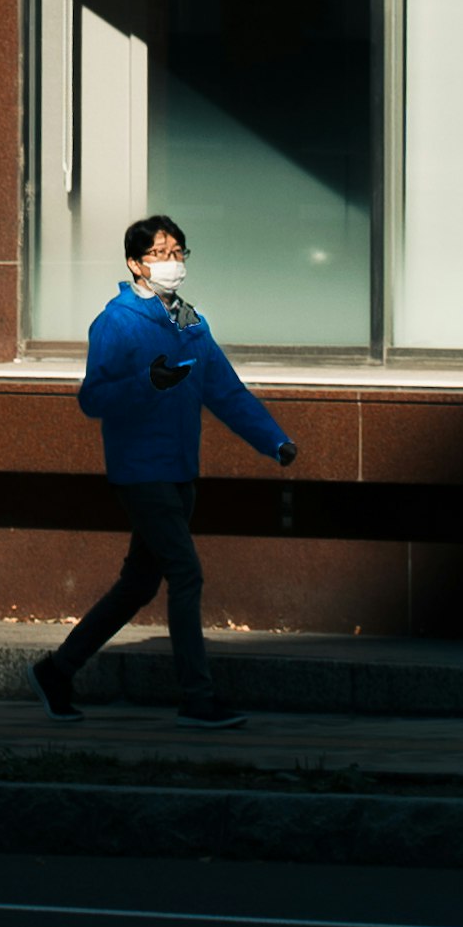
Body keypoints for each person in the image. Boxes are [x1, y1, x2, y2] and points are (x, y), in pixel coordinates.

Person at [36, 212, 294, 727]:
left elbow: (224, 390)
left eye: (178, 252)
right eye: (159, 253)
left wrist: (274, 440)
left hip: (179, 469)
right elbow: (93, 398)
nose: (172, 262)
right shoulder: (116, 321)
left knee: (138, 583)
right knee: (185, 572)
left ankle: (57, 670)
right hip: (141, 472)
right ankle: (197, 699)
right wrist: (146, 382)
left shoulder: (189, 322)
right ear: (134, 263)